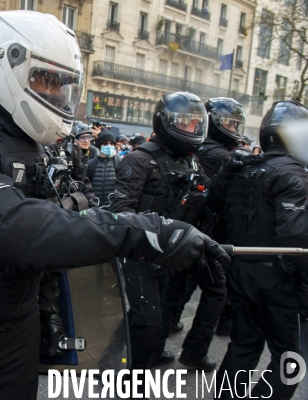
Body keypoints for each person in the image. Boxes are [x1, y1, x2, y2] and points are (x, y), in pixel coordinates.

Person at [0, 12, 228, 400]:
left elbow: (61, 227)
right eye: (45, 80)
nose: (55, 94)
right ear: (6, 62)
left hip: (17, 326)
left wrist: (48, 312)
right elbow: (19, 230)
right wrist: (142, 231)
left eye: (63, 84)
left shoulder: (38, 146)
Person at [110, 92, 227, 372]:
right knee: (147, 320)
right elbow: (121, 210)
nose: (191, 129)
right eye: (184, 123)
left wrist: (230, 175)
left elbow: (208, 198)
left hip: (173, 253)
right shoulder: (140, 159)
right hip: (142, 253)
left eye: (195, 124)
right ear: (166, 122)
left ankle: (118, 356)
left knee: (154, 317)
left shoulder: (191, 161)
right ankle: (130, 378)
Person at [212, 100, 308, 400]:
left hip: (241, 269)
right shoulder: (293, 174)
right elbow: (296, 235)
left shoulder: (244, 169)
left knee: (244, 344)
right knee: (290, 359)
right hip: (278, 275)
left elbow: (216, 211)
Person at [170, 98, 247, 338]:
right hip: (211, 229)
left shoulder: (198, 149)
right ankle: (197, 345)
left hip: (190, 225)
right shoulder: (222, 156)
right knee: (216, 288)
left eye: (236, 124)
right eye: (230, 124)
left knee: (182, 282)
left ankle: (168, 324)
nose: (234, 130)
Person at [86, 129, 121, 207]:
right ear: (100, 146)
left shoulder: (120, 163)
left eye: (111, 143)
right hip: (94, 208)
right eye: (105, 143)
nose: (109, 146)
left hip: (112, 209)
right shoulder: (90, 164)